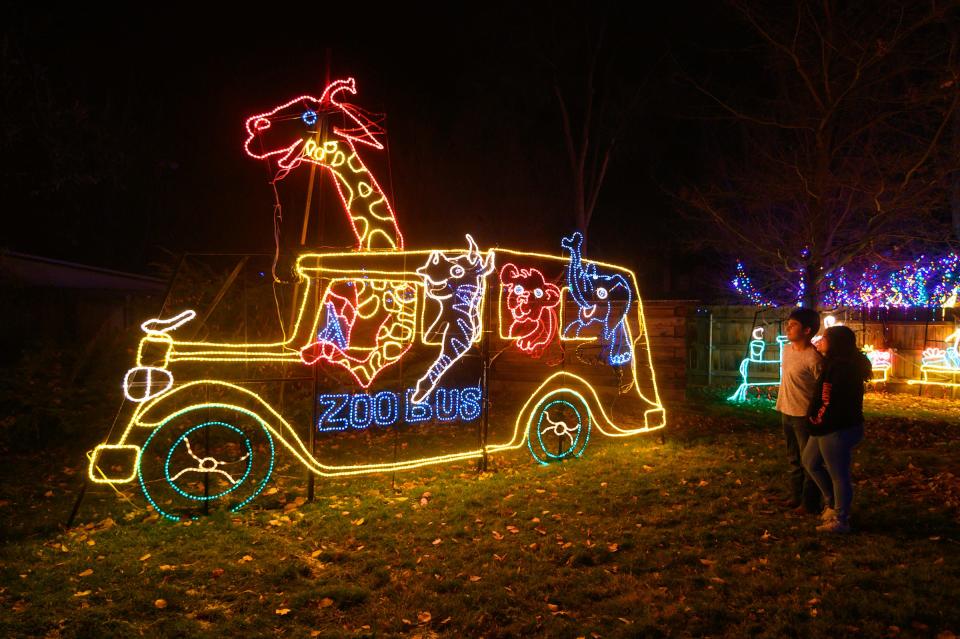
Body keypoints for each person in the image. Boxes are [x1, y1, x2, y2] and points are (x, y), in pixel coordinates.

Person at [803, 325, 871, 533]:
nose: (820, 341)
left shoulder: (842, 368)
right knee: (810, 461)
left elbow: (830, 399)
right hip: (827, 425)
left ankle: (840, 518)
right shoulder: (834, 364)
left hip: (837, 427)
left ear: (836, 343)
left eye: (825, 338)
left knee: (838, 474)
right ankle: (832, 503)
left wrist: (818, 419)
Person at [776, 308, 823, 515]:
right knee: (793, 459)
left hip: (804, 416)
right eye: (789, 323)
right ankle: (795, 497)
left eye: (793, 324)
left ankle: (809, 503)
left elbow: (823, 389)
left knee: (808, 462)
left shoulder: (813, 358)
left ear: (807, 330)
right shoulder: (787, 350)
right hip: (786, 410)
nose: (788, 327)